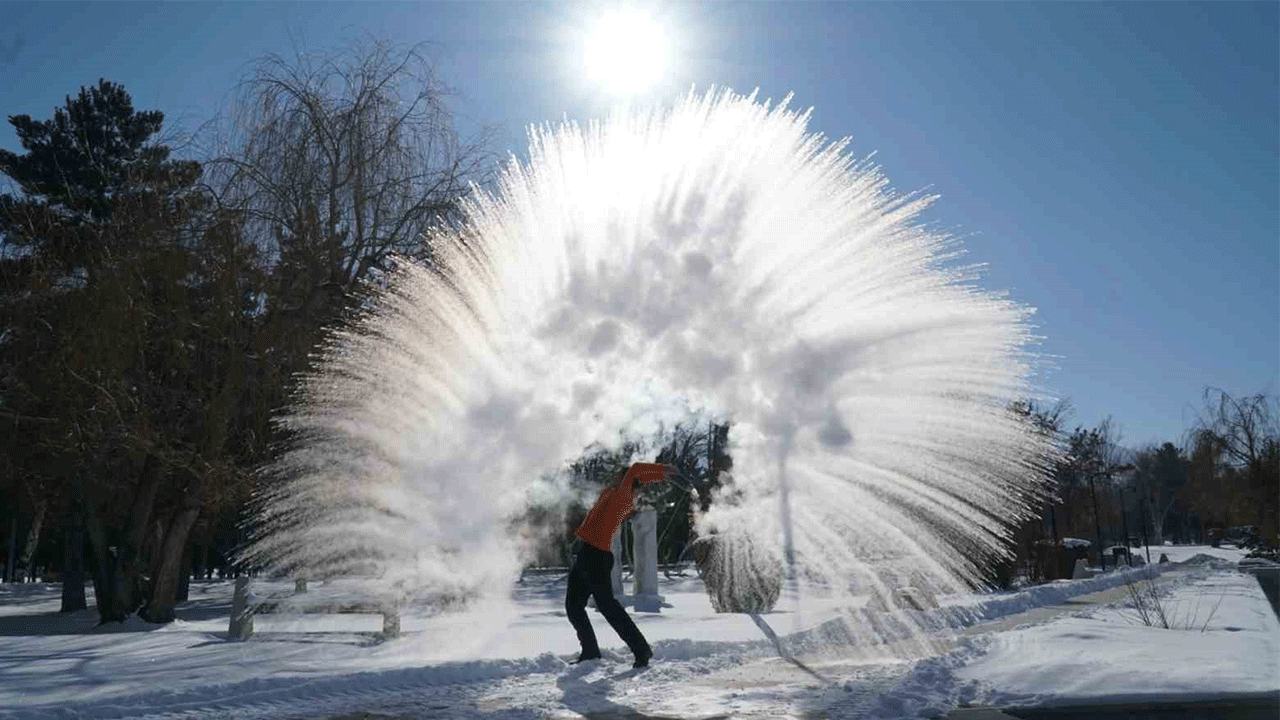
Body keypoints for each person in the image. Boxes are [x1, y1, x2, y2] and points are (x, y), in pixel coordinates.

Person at [566, 461, 673, 668]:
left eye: (621, 476)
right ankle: (590, 651)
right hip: (586, 553)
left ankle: (641, 649)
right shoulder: (612, 493)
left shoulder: (623, 496)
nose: (616, 476)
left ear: (628, 481)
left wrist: (662, 471)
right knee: (573, 606)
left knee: (609, 608)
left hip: (596, 557)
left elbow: (635, 469)